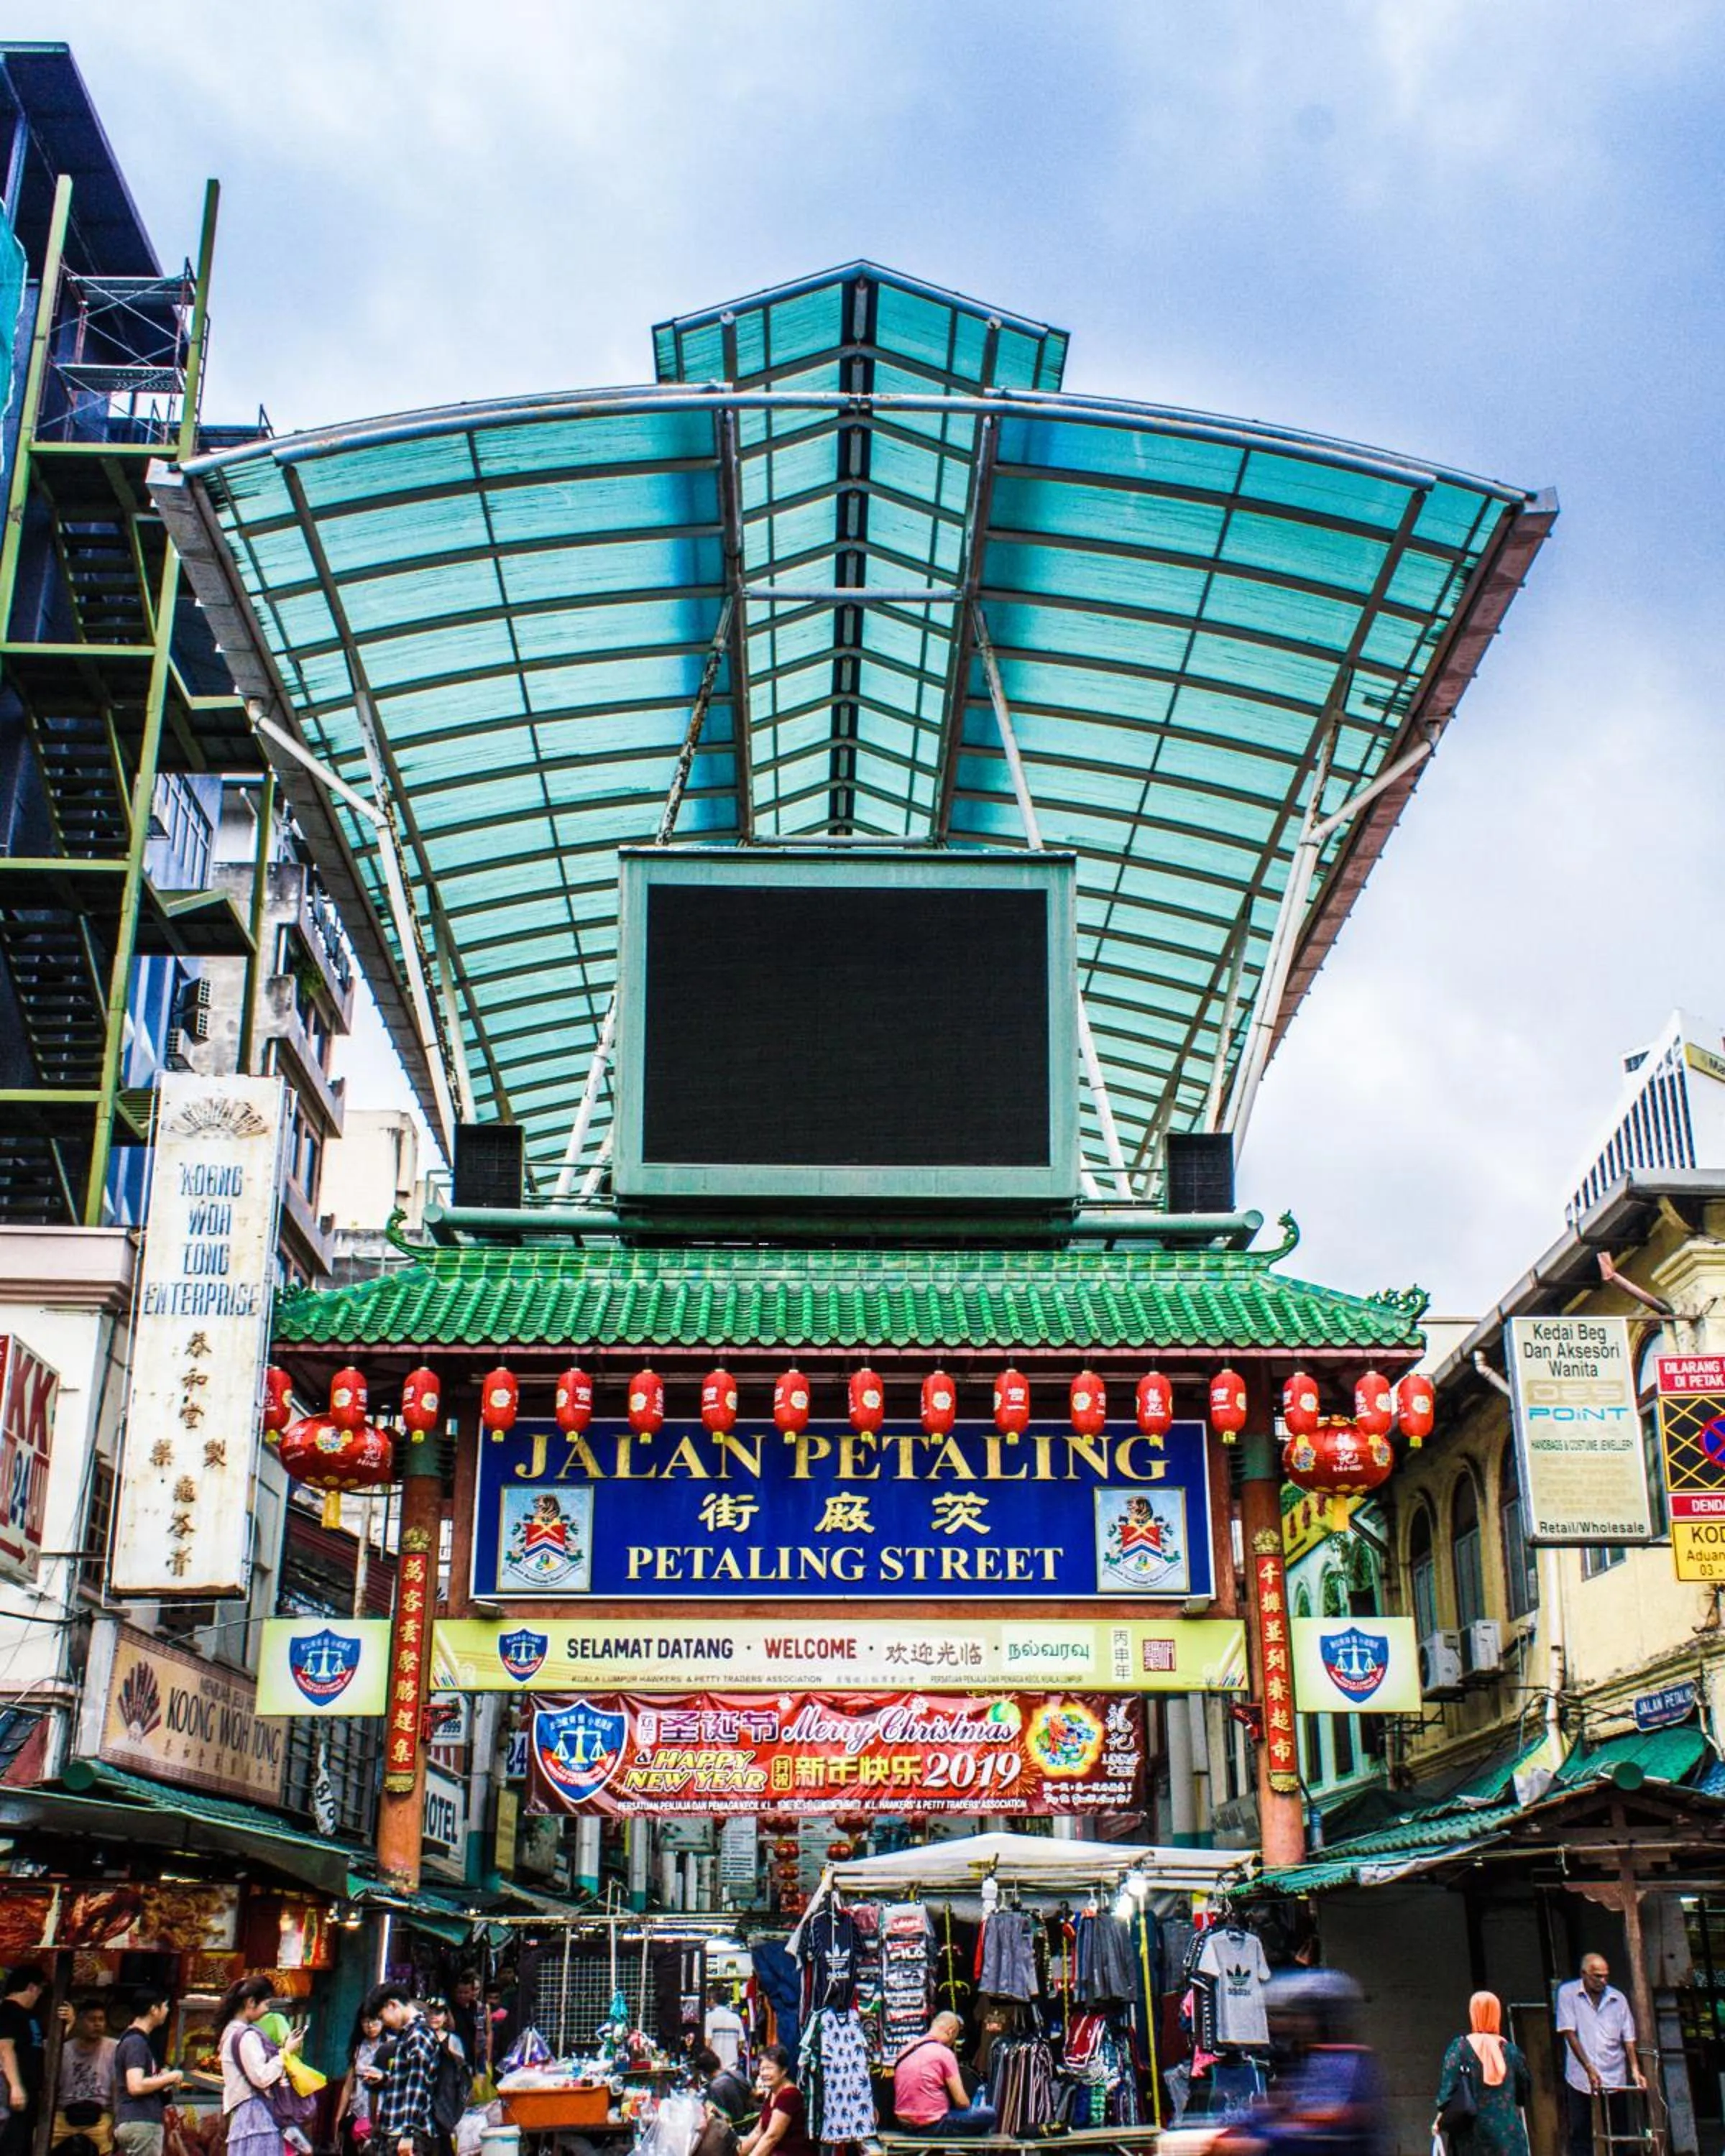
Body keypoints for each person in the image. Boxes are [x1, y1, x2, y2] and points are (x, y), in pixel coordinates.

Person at [1219, 1971, 1388, 2156]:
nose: (1283, 2025)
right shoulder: (1308, 2062)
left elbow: (1327, 2122)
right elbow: (1280, 2110)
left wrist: (1264, 2140)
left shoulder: (1344, 2061)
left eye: (1294, 2015)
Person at [1555, 1954, 1644, 2156]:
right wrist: (1589, 2067)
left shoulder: (1617, 1998)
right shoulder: (1568, 1993)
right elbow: (1569, 2033)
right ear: (1584, 1974)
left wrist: (1635, 2069)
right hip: (1580, 2075)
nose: (1603, 1981)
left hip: (1614, 2073)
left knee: (1619, 2130)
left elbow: (1628, 2036)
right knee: (1581, 2132)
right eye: (1597, 1976)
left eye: (1606, 1976)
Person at [1435, 1994, 1531, 2156]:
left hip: (1472, 2139)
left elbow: (1446, 2095)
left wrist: (1439, 2120)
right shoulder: (1513, 2053)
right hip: (1510, 2138)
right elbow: (1523, 2095)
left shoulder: (1460, 2049)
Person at [216, 1977, 302, 2156]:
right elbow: (261, 2077)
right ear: (250, 2002)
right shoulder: (246, 2036)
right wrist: (286, 2052)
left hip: (244, 2115)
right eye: (266, 2004)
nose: (267, 2010)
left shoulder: (230, 2032)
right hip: (257, 2116)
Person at [892, 2013, 995, 2139]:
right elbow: (962, 2102)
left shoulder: (906, 2049)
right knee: (989, 2114)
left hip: (904, 2123)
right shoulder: (944, 2053)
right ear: (951, 2032)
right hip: (932, 2125)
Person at [368, 1986, 438, 2156]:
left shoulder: (419, 2035)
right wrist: (384, 2079)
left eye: (382, 2017)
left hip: (407, 2134)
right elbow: (408, 2079)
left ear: (392, 2005)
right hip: (396, 2130)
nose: (384, 2023)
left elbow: (418, 2087)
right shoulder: (408, 2035)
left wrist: (408, 2134)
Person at [111, 1990, 181, 2156]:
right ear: (153, 2010)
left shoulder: (134, 2040)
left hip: (134, 2120)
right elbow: (136, 2086)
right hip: (141, 2120)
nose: (168, 2010)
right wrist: (170, 2077)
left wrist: (161, 2078)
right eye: (165, 2006)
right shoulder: (136, 2042)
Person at [52, 2000, 116, 2154]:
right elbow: (48, 2066)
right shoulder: (65, 2049)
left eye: (101, 2020)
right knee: (40, 2138)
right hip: (65, 2112)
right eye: (92, 2020)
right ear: (80, 2022)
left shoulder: (114, 2048)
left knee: (109, 2145)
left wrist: (117, 2118)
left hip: (100, 2114)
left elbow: (116, 2086)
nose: (97, 2024)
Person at [0, 1966, 49, 2156]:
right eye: (40, 1989)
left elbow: (42, 2046)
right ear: (32, 1988)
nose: (40, 1995)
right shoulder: (8, 2012)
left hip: (29, 2088)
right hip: (11, 2088)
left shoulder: (31, 2016)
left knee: (23, 2144)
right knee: (11, 2143)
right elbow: (5, 2049)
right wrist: (16, 2086)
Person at [738, 2046, 814, 2156]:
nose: (764, 2073)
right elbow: (758, 2131)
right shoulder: (773, 2093)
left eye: (769, 2068)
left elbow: (772, 2137)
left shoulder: (789, 2095)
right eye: (762, 2069)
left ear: (783, 2071)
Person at [334, 2008, 387, 2152]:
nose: (370, 2026)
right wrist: (339, 2117)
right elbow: (348, 2085)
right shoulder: (358, 2047)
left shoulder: (390, 2046)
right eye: (366, 2022)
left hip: (382, 2113)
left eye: (374, 2021)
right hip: (357, 2110)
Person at [422, 2001, 468, 2156]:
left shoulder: (453, 2040)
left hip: (446, 2096)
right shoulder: (421, 2038)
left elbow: (462, 2070)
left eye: (439, 2013)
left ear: (446, 2017)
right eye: (432, 2012)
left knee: (445, 2143)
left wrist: (454, 2055)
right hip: (424, 2095)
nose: (435, 2017)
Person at [693, 2048, 752, 2127]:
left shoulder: (716, 2087)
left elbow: (721, 2116)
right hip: (749, 2121)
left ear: (703, 2072)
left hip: (733, 2126)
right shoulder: (738, 2074)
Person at [704, 1996, 745, 2076]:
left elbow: (707, 2044)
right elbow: (741, 2044)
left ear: (712, 2000)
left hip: (715, 2070)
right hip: (733, 2070)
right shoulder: (736, 2018)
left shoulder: (709, 2017)